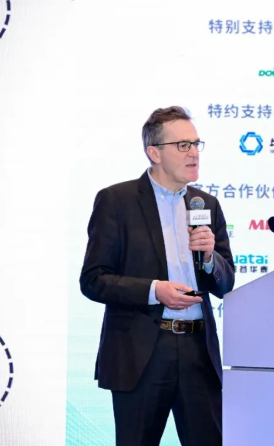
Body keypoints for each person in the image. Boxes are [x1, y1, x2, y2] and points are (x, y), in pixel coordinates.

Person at [80, 106, 235, 446]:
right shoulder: (116, 201)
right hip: (141, 353)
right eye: (183, 145)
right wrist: (154, 290)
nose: (193, 153)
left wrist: (210, 257)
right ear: (154, 153)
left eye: (196, 144)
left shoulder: (206, 204)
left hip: (198, 350)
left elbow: (226, 284)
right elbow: (93, 279)